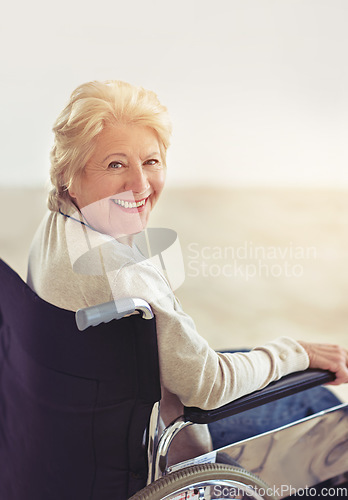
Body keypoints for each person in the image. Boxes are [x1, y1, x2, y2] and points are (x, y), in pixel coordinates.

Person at [27, 80, 348, 465]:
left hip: (89, 438)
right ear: (70, 174)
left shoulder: (56, 229)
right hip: (164, 460)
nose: (140, 185)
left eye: (151, 161)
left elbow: (185, 367)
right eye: (115, 164)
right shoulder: (121, 276)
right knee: (322, 405)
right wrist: (299, 351)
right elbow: (208, 386)